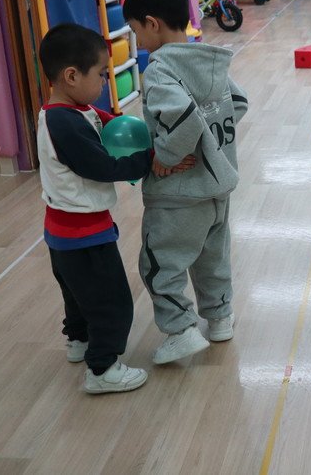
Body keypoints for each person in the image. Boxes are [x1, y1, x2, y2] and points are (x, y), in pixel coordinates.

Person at [36, 23, 190, 393]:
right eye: (101, 74)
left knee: (78, 295)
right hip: (83, 234)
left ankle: (79, 340)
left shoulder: (69, 111)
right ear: (72, 76)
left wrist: (144, 132)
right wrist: (152, 160)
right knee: (112, 301)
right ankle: (102, 369)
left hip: (64, 232)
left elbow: (107, 122)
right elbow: (104, 166)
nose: (106, 82)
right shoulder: (65, 124)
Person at [123, 0, 249, 365]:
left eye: (136, 31)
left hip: (178, 194)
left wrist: (165, 155)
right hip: (218, 188)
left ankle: (180, 331)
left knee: (160, 263)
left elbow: (184, 118)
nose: (138, 40)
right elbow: (238, 102)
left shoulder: (160, 69)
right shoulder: (205, 59)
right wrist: (210, 142)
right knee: (213, 257)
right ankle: (220, 317)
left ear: (152, 23)